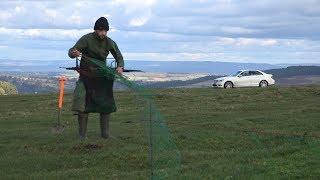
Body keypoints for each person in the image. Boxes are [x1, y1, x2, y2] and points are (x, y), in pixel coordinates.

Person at [68, 17, 124, 139]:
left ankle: (105, 134)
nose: (103, 33)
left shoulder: (109, 42)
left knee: (105, 105)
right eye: (100, 30)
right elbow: (72, 51)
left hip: (102, 78)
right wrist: (74, 53)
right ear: (95, 30)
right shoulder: (86, 39)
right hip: (86, 76)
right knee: (82, 105)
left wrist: (120, 67)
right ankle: (82, 136)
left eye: (105, 31)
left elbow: (119, 56)